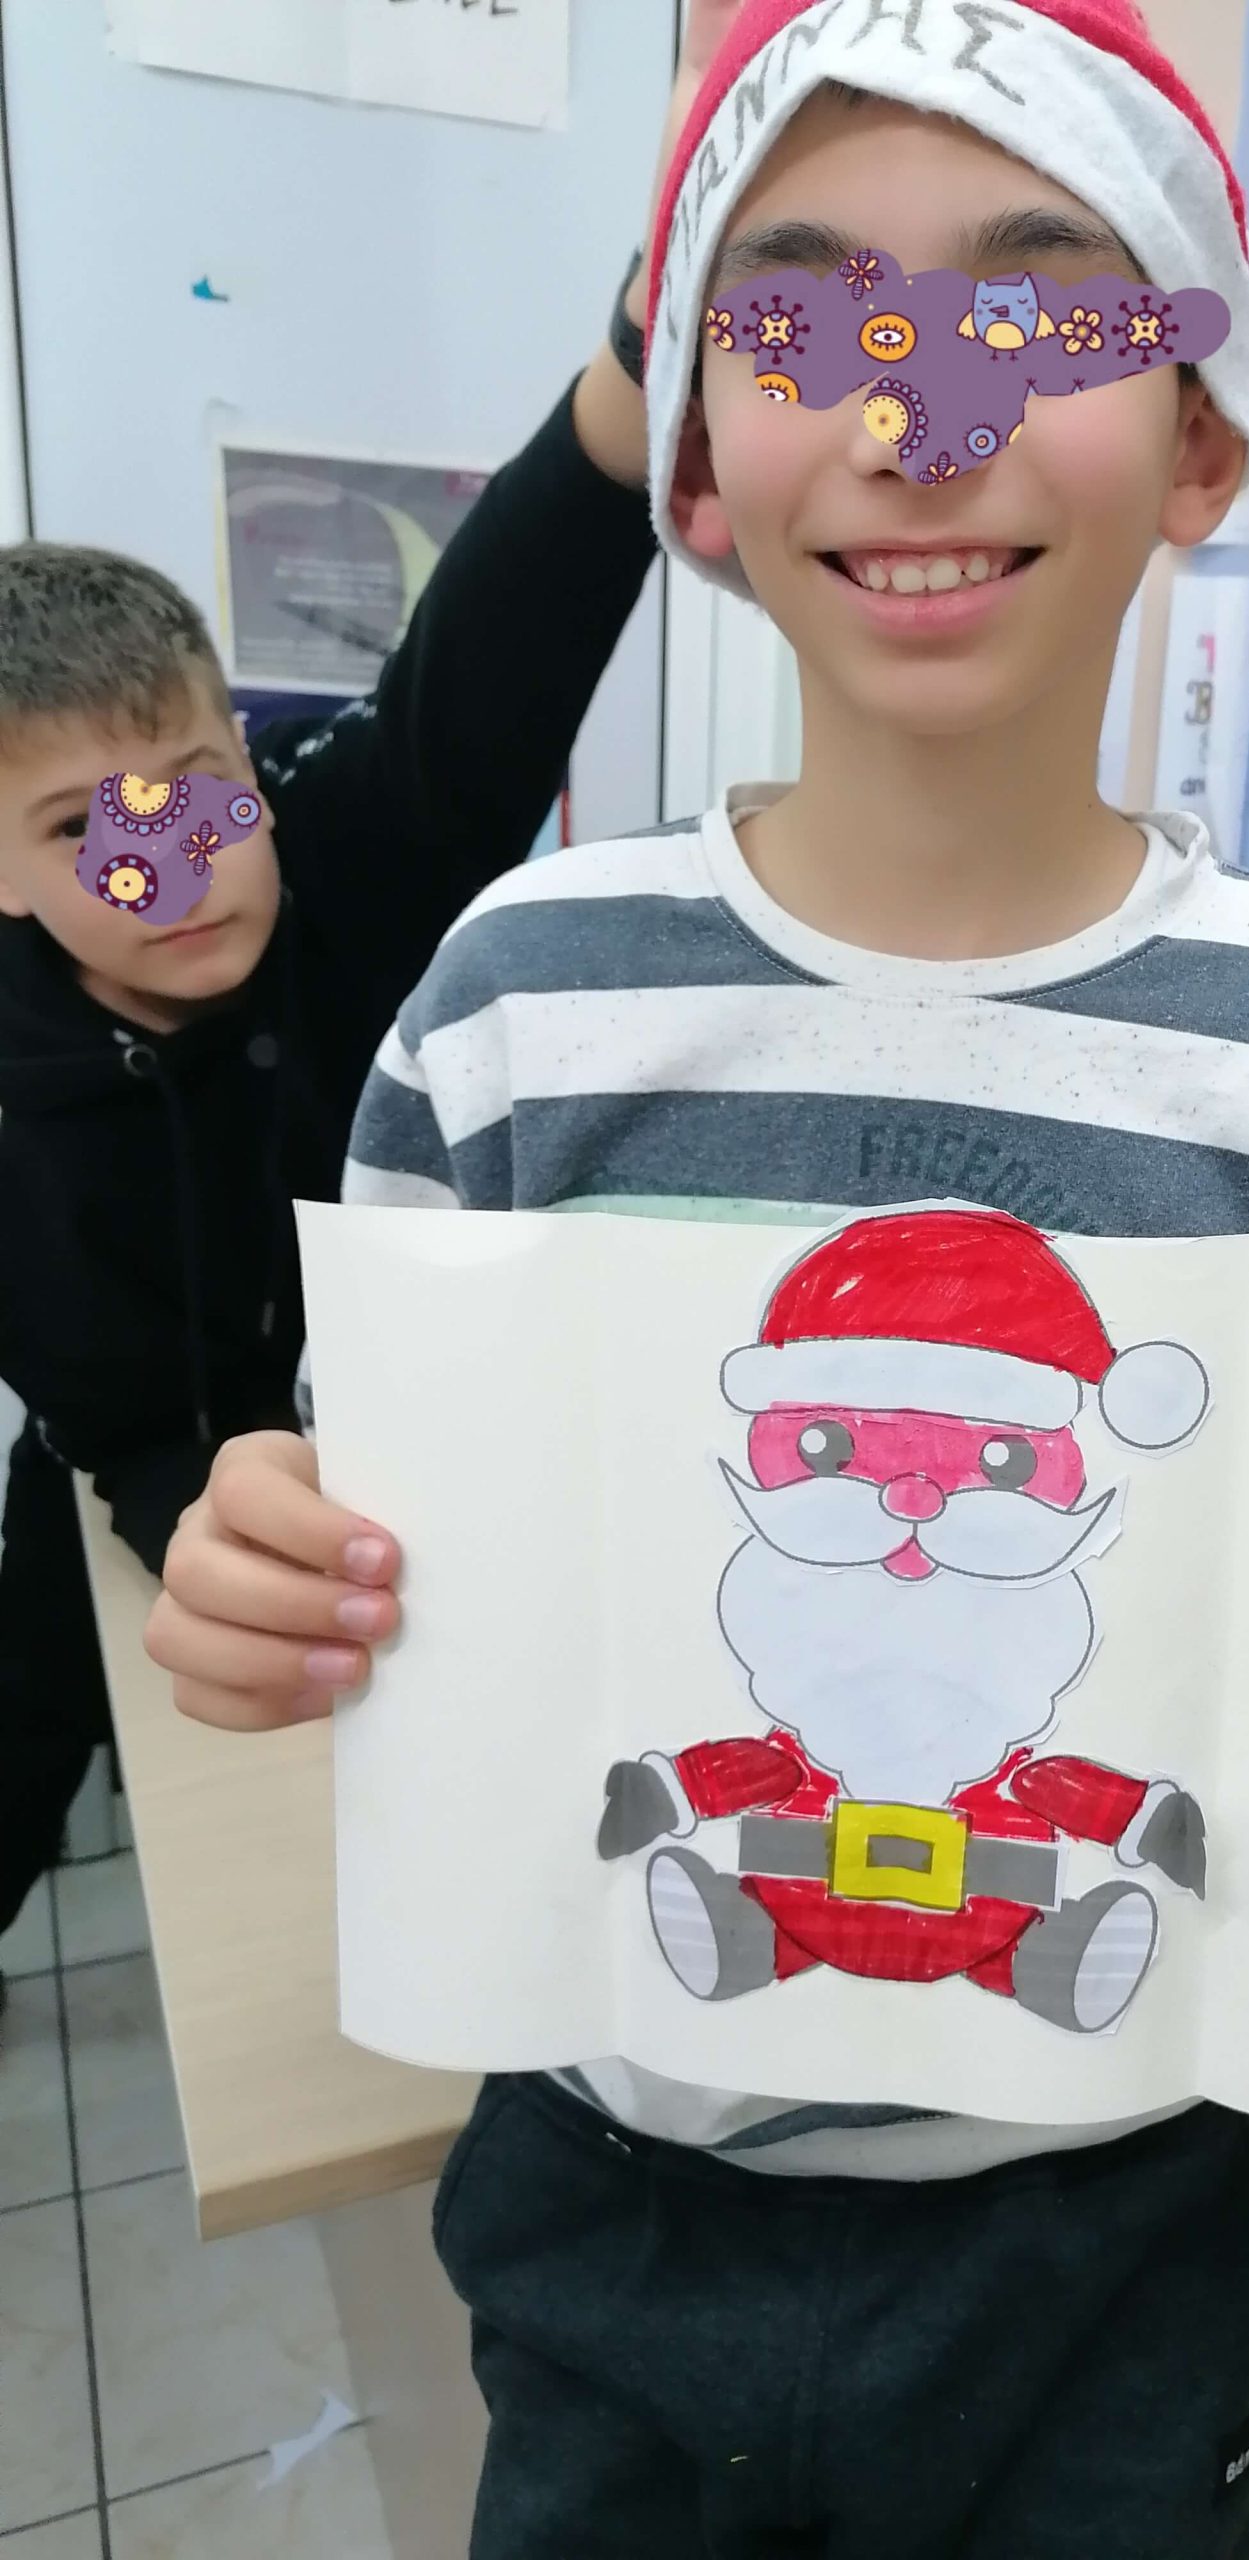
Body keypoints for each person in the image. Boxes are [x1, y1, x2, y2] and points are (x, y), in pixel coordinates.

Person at [147, 4, 1249, 2551]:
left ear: (1203, 436)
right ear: (694, 457)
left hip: (1119, 2229)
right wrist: (268, 1572)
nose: (921, 410)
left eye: (1043, 308)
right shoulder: (516, 1000)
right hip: (616, 2194)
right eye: (803, 319)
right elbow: (387, 1549)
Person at [0, 1, 749, 1985]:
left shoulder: (337, 850)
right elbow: (115, 1423)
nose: (172, 866)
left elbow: (485, 660)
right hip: (129, 1457)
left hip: (412, 1441)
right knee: (37, 1724)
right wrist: (186, 1501)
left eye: (196, 790)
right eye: (80, 829)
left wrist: (637, 357)